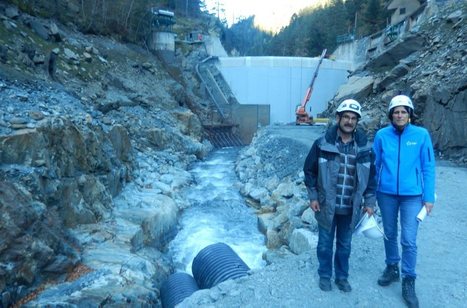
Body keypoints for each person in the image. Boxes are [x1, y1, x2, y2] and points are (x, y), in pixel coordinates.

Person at [303, 99, 376, 292]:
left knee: (345, 246)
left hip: (351, 208)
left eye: (353, 118)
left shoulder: (365, 149)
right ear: (338, 118)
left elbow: (372, 179)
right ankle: (325, 275)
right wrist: (313, 197)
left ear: (356, 121)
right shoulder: (322, 144)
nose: (349, 121)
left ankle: (342, 277)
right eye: (346, 117)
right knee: (325, 245)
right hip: (327, 205)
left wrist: (369, 202)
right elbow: (309, 171)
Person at [373, 95, 436, 308]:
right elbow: (375, 165)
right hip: (386, 193)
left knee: (408, 239)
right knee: (389, 233)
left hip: (413, 195)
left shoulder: (421, 135)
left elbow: (428, 167)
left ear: (410, 114)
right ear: (391, 115)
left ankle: (409, 279)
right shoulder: (382, 135)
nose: (400, 115)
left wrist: (428, 197)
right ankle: (392, 267)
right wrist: (371, 193)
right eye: (396, 112)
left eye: (403, 111)